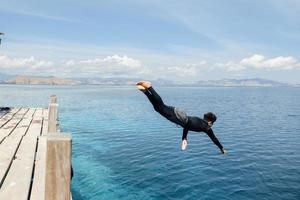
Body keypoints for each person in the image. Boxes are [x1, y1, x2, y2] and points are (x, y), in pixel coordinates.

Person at [136, 81, 227, 154]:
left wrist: (184, 138)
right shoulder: (206, 127)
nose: (212, 126)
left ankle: (145, 91)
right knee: (161, 107)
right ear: (210, 122)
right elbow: (214, 139)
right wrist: (221, 148)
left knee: (158, 108)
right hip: (179, 117)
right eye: (212, 124)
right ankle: (150, 87)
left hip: (180, 117)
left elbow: (187, 125)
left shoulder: (201, 123)